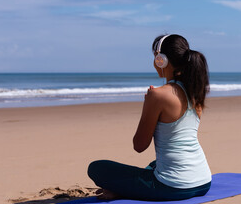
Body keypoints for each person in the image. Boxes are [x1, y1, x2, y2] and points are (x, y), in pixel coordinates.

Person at [87, 34, 211, 201]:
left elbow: (139, 145)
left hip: (172, 187)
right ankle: (128, 189)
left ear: (161, 60)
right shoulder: (195, 93)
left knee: (96, 168)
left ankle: (122, 191)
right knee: (154, 164)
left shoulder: (158, 95)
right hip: (203, 182)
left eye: (155, 57)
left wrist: (149, 104)